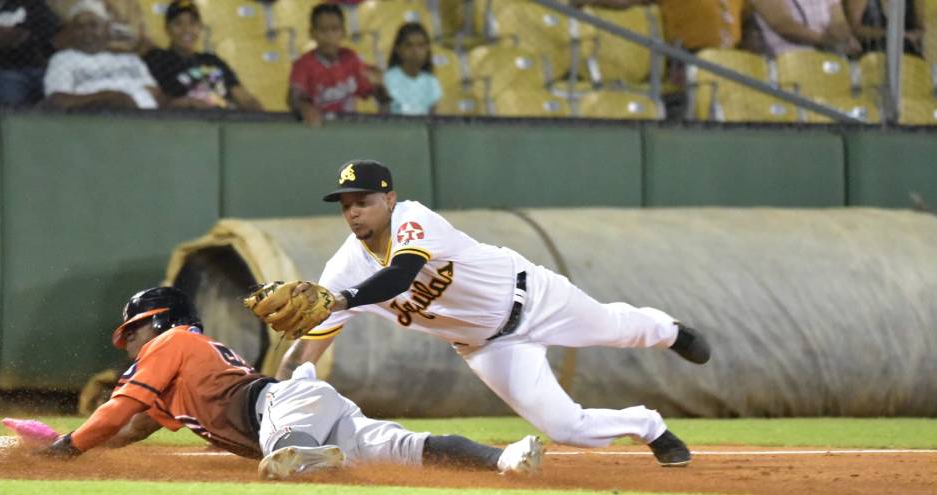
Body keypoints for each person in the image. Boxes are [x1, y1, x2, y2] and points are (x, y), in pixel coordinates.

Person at [273, 160, 705, 468]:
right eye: (345, 204)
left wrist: (343, 300)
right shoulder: (343, 268)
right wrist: (285, 384)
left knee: (616, 328)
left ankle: (669, 331)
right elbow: (313, 339)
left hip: (534, 296)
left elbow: (401, 276)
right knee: (567, 429)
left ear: (389, 198)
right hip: (488, 347)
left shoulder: (413, 219)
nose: (352, 212)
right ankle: (648, 426)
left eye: (362, 201)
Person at [8, 286, 544, 480]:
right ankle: (507, 459)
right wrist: (56, 441)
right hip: (305, 405)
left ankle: (304, 458)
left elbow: (118, 410)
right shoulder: (181, 366)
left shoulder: (168, 345)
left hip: (282, 410)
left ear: (160, 321)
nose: (127, 341)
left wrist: (65, 449)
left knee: (283, 464)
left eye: (133, 329)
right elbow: (127, 429)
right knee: (407, 447)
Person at [142, 0, 263, 111]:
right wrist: (187, 103)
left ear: (200, 28)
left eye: (192, 23)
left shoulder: (213, 60)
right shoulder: (157, 59)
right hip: (187, 125)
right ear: (167, 29)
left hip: (224, 122)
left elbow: (244, 98)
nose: (186, 30)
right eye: (178, 23)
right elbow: (153, 100)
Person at [43, 0, 162, 109]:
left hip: (142, 118)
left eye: (93, 25)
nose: (87, 32)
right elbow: (57, 100)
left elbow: (154, 92)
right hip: (94, 119)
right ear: (71, 31)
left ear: (106, 28)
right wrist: (107, 97)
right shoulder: (63, 59)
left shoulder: (130, 58)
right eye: (79, 27)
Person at [288, 3, 389, 127]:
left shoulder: (351, 59)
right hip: (318, 130)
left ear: (343, 33)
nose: (329, 36)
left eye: (335, 29)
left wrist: (379, 86)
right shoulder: (303, 65)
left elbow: (379, 96)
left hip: (349, 128)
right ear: (312, 33)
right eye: (322, 30)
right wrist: (305, 107)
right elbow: (294, 98)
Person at [750, 0, 861, 56]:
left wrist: (845, 38)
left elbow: (839, 21)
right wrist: (825, 41)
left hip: (831, 59)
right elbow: (783, 25)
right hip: (789, 62)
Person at [383, 23, 442, 116]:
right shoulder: (387, 80)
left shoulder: (431, 82)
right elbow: (383, 118)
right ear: (398, 50)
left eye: (421, 45)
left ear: (427, 49)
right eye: (409, 45)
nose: (415, 51)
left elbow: (433, 120)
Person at [843, 0, 923, 56]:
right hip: (869, 56)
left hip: (908, 57)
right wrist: (898, 35)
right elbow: (854, 30)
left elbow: (922, 30)